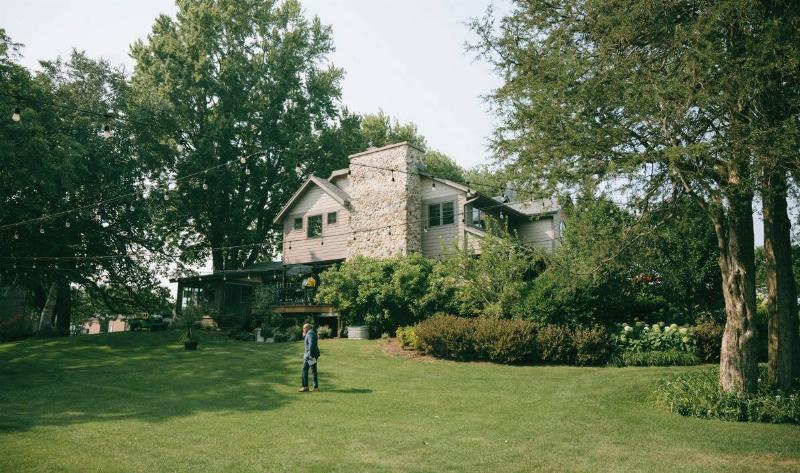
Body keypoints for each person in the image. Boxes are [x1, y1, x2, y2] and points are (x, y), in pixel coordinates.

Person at [299, 323, 320, 392]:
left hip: (310, 355)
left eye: (304, 328)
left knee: (304, 369)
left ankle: (305, 387)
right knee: (313, 370)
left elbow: (311, 344)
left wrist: (309, 355)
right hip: (312, 354)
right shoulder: (311, 333)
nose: (303, 330)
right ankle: (315, 387)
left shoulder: (310, 333)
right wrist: (305, 335)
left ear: (307, 328)